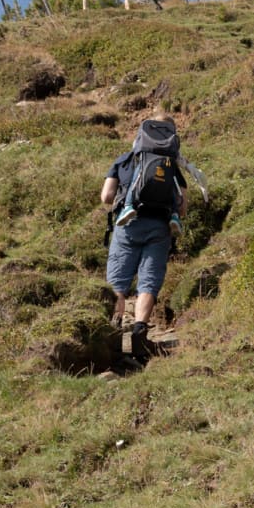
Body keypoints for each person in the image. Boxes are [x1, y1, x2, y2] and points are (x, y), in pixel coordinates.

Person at [101, 114, 188, 364]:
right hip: (160, 227)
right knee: (148, 282)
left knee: (118, 282)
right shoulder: (172, 164)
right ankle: (140, 336)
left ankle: (114, 334)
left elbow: (107, 196)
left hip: (127, 226)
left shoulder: (125, 160)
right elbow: (182, 207)